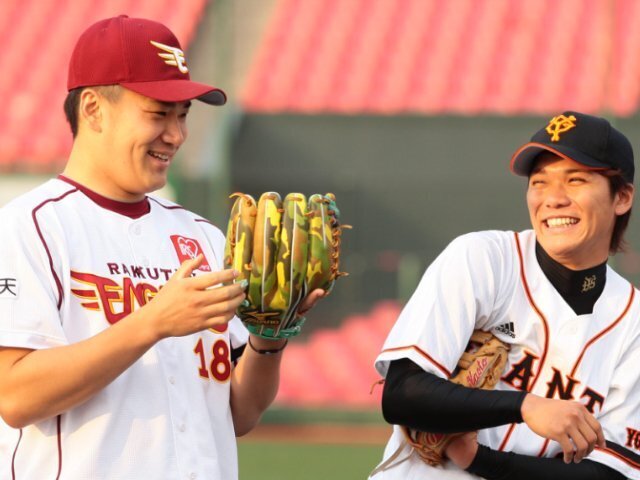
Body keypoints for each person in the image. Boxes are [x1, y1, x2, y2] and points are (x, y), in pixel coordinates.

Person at [0, 15, 323, 479]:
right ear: (92, 108)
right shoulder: (29, 227)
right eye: (158, 113)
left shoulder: (206, 237)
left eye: (183, 115)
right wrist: (153, 322)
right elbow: (15, 396)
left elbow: (239, 415)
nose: (176, 134)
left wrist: (269, 339)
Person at [370, 112, 640, 479]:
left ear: (622, 197)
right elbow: (403, 393)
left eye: (575, 180)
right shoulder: (484, 258)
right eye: (539, 182)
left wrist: (479, 459)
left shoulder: (633, 322)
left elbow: (611, 474)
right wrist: (525, 406)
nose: (553, 199)